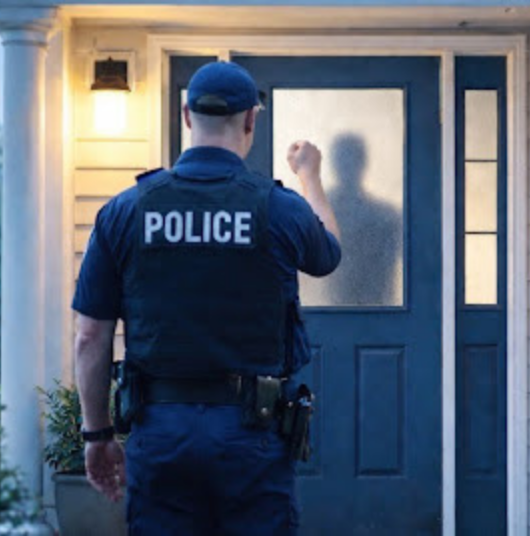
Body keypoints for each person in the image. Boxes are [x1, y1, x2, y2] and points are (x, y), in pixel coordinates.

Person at [70, 61, 342, 535]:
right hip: (252, 432)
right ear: (251, 121)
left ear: (186, 116)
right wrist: (311, 176)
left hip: (161, 431)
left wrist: (96, 435)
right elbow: (328, 254)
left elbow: (90, 335)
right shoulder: (278, 209)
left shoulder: (126, 210)